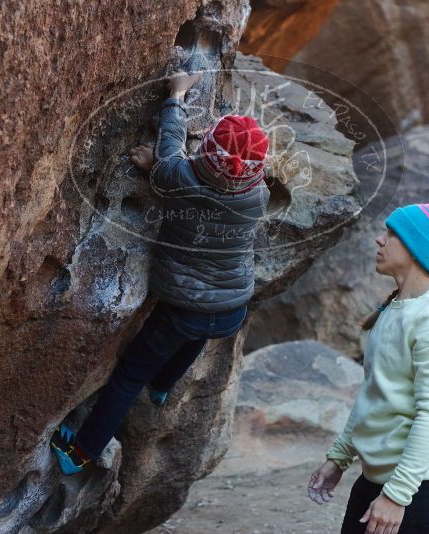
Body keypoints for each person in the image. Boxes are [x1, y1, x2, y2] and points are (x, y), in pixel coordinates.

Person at [50, 71, 271, 475]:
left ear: (203, 155)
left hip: (181, 307)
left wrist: (175, 96)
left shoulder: (179, 177)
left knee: (127, 377)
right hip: (232, 307)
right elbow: (203, 172)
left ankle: (79, 454)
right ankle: (164, 385)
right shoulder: (258, 194)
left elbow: (170, 145)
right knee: (195, 339)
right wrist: (164, 165)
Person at [307, 203, 429, 534]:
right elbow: (374, 397)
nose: (380, 240)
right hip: (377, 484)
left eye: (392, 234)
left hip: (420, 492)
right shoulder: (396, 308)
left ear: (417, 246)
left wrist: (396, 496)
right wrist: (339, 457)